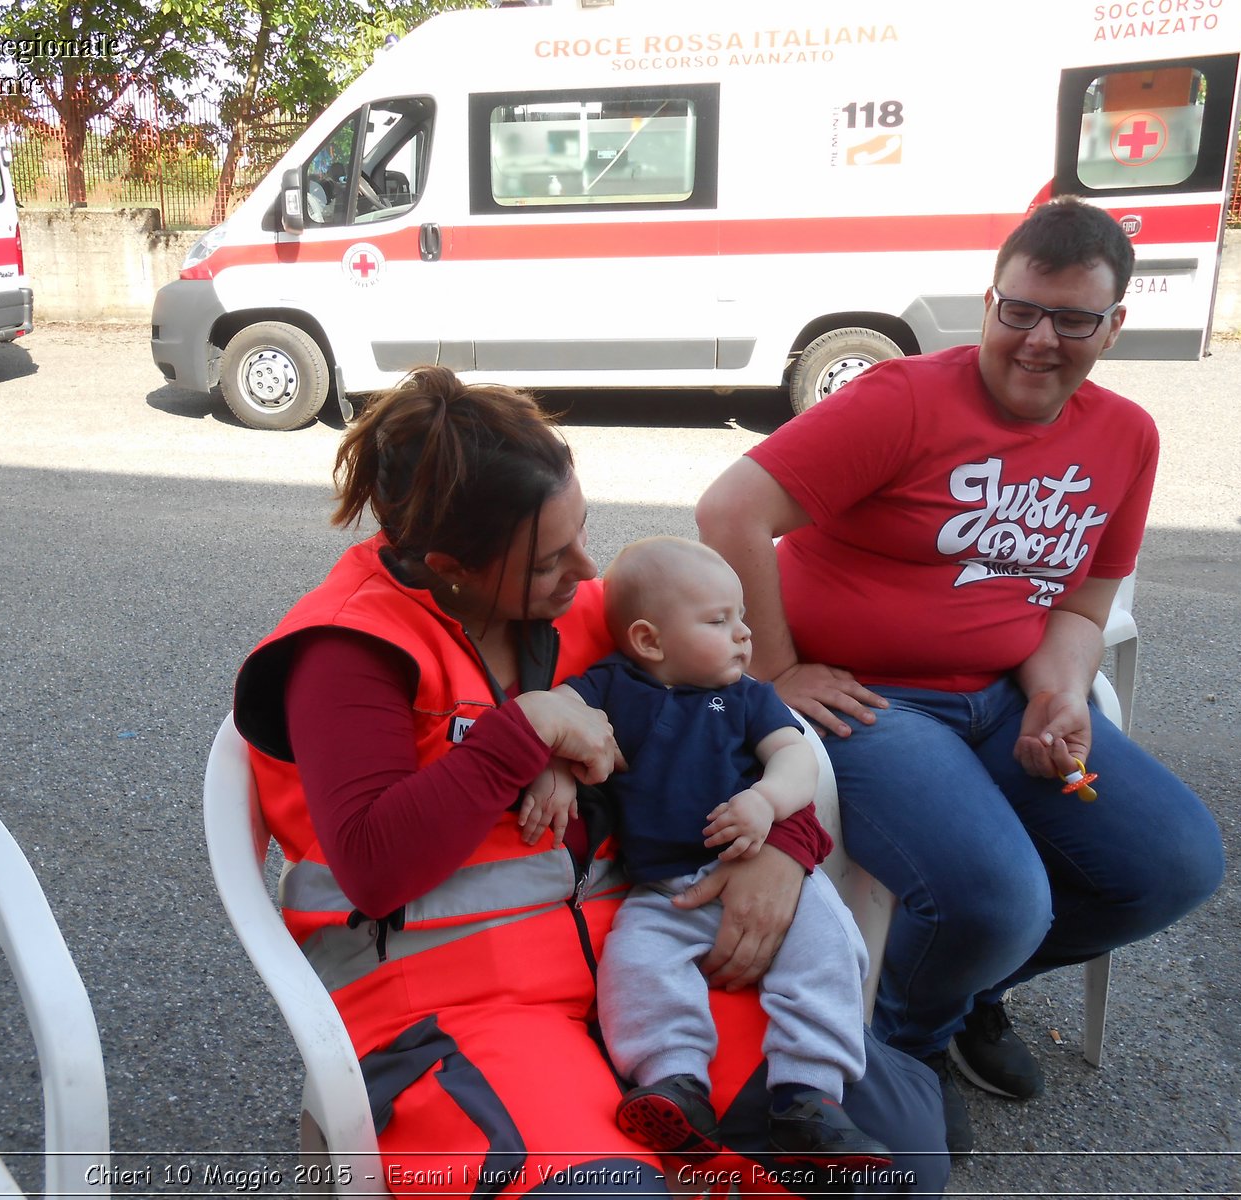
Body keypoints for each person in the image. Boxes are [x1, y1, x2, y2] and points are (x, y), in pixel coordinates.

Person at [233, 365, 948, 1198]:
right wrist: (525, 729)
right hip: (452, 1007)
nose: (584, 567)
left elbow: (734, 724)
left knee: (895, 1152)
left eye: (582, 531)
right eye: (547, 560)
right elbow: (372, 866)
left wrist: (781, 848)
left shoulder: (587, 611)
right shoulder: (345, 651)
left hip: (640, 956)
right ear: (449, 564)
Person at [695, 197, 1225, 1156]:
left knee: (1174, 866)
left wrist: (1063, 690)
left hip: (1004, 698)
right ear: (989, 302)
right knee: (997, 899)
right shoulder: (903, 398)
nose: (1037, 340)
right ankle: (904, 1048)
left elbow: (1080, 604)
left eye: (1071, 320)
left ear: (1114, 326)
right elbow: (730, 510)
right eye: (1019, 311)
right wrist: (776, 671)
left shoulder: (1127, 437)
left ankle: (958, 993)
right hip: (871, 700)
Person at [520, 535, 888, 1169]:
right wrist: (549, 763)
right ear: (649, 641)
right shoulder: (612, 687)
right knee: (636, 965)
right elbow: (557, 714)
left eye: (741, 617)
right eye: (720, 621)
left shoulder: (748, 698)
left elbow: (795, 757)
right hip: (664, 889)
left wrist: (768, 802)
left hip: (767, 874)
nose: (744, 636)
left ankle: (810, 1094)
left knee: (828, 948)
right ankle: (674, 1081)